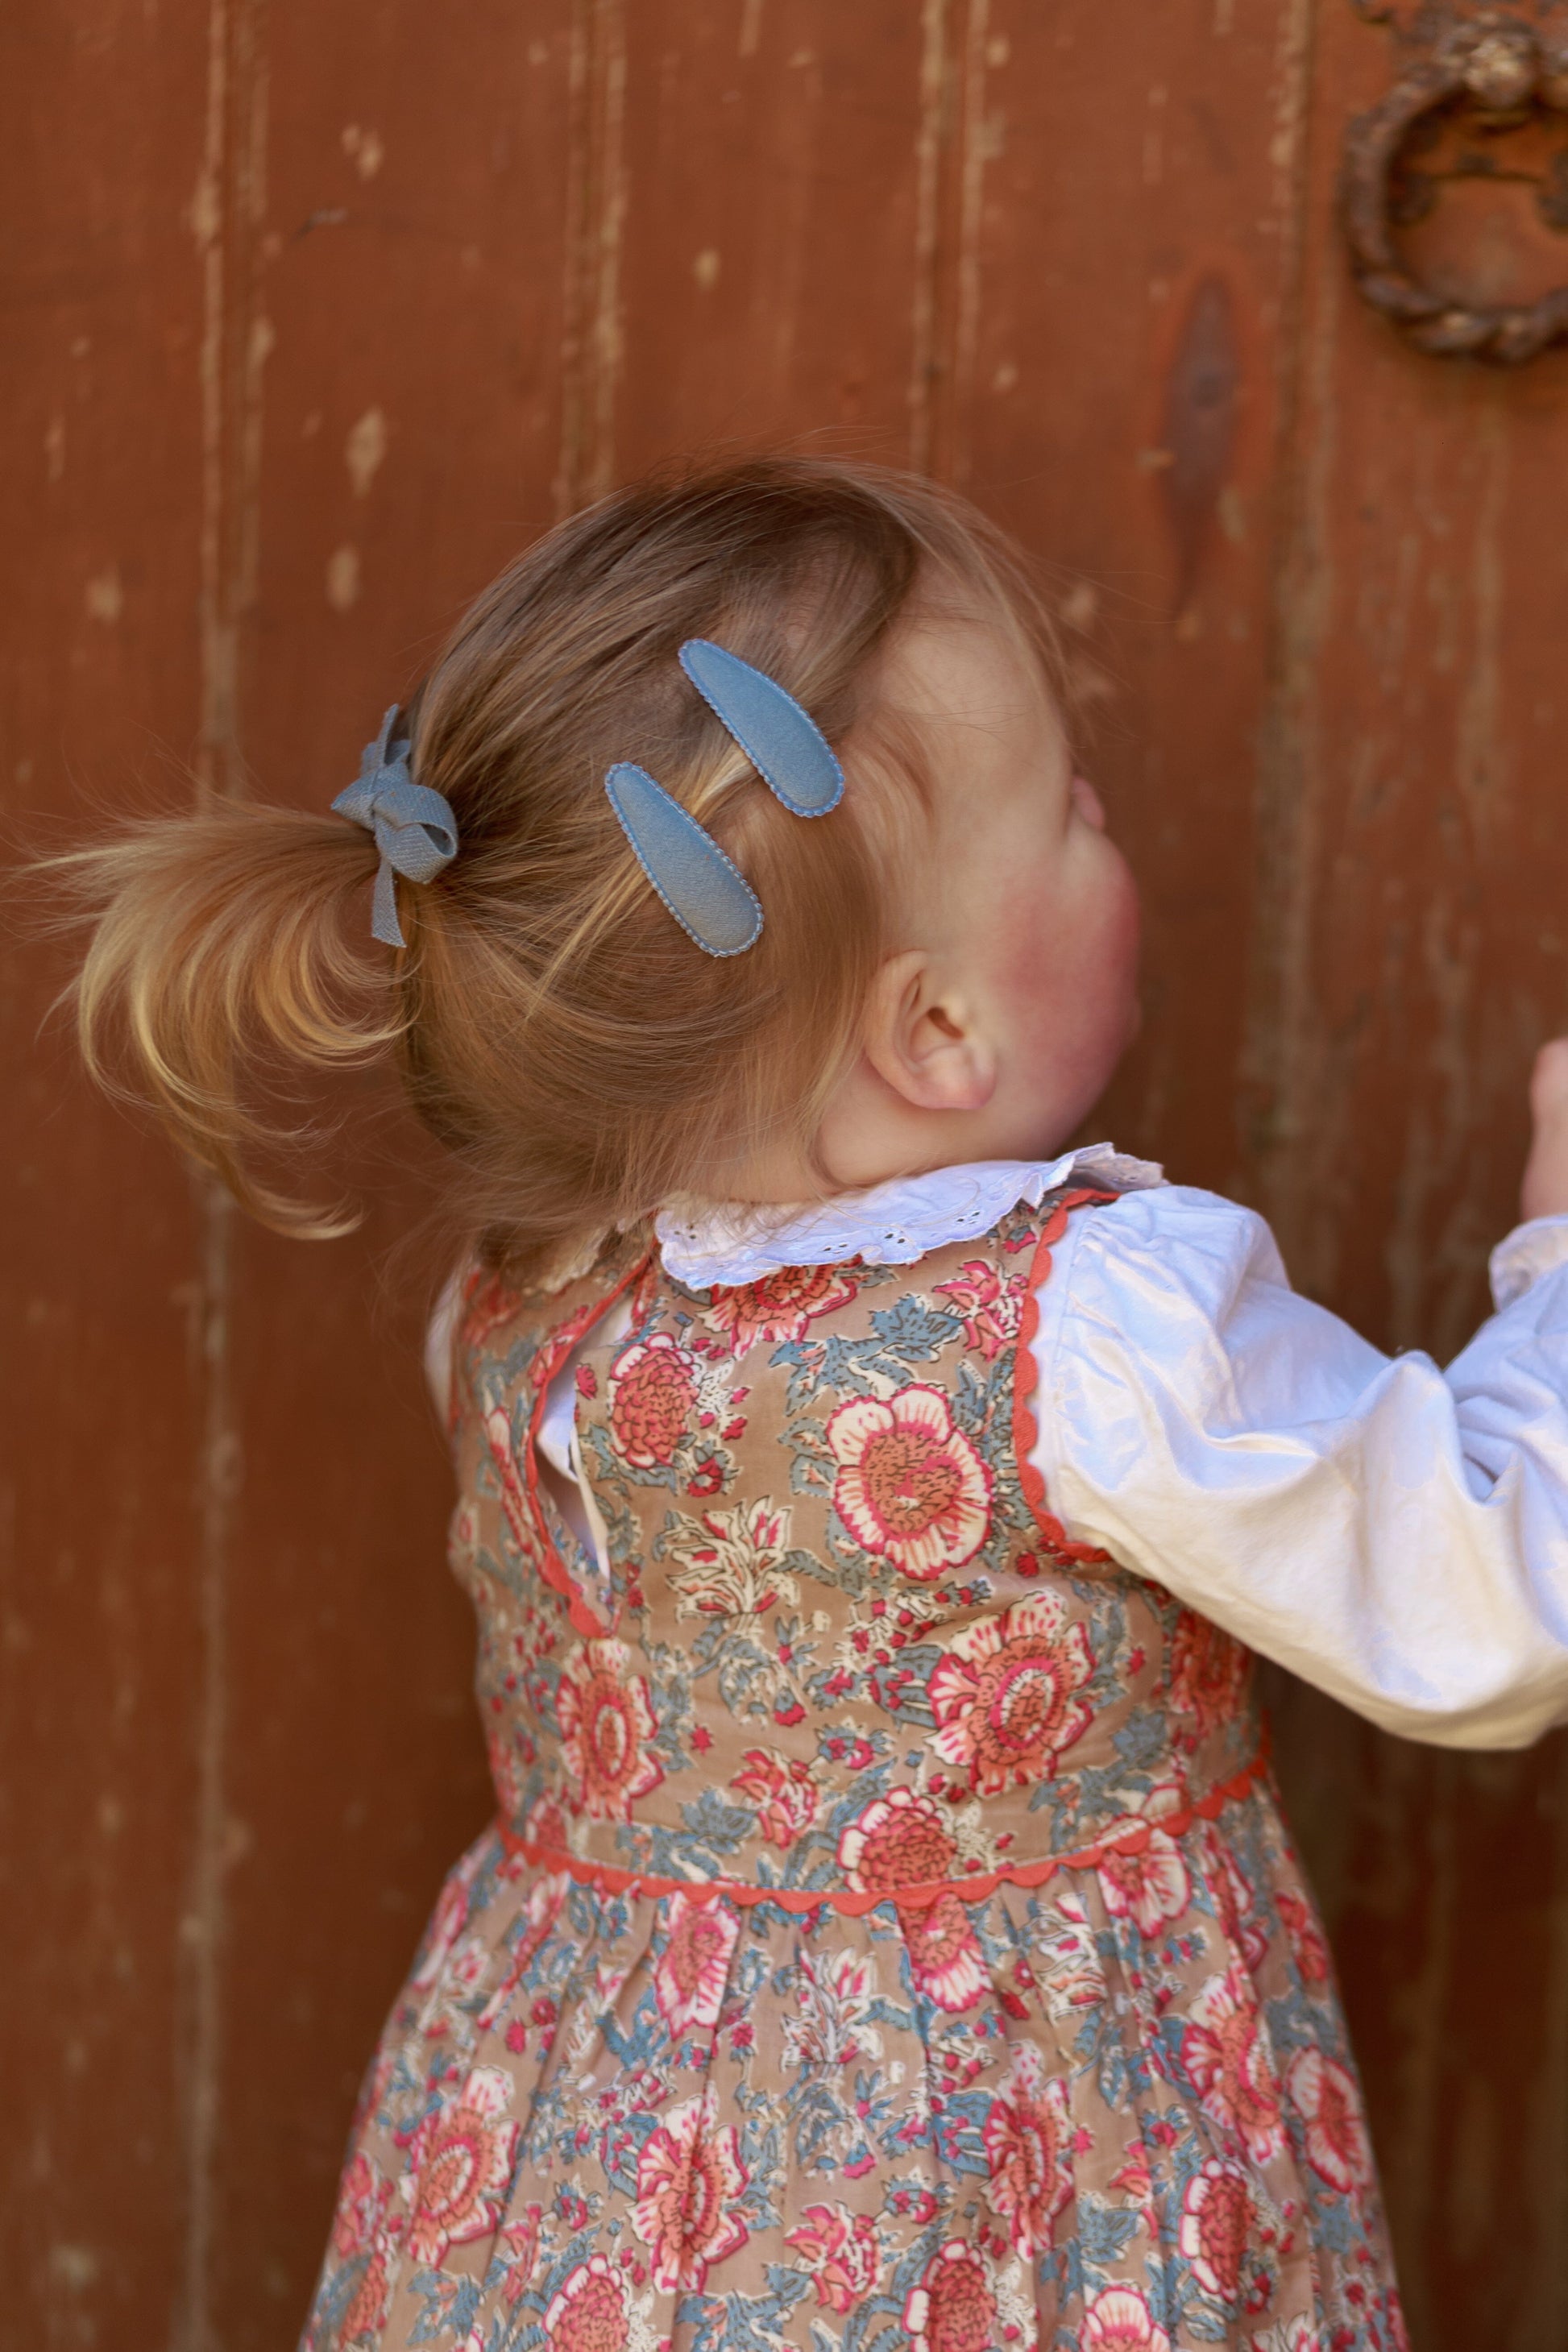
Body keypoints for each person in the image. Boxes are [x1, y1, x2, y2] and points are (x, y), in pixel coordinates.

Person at [52, 457, 1568, 2352]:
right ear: (937, 1029)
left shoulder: (520, 1304)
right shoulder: (1089, 1330)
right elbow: (1489, 1604)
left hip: (586, 2188)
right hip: (1011, 2185)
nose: (1104, 815)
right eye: (1070, 809)